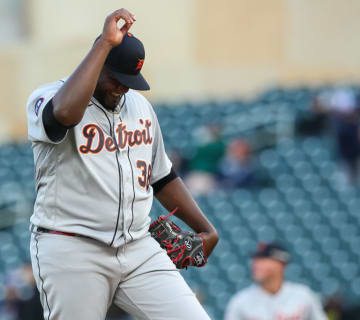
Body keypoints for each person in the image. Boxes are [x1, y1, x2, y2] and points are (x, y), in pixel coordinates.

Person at [26, 8, 218, 320]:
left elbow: (162, 177)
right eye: (117, 79)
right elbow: (64, 115)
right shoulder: (49, 97)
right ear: (97, 63)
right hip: (72, 249)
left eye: (130, 81)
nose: (124, 88)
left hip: (137, 247)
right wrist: (104, 43)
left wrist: (206, 229)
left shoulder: (140, 107)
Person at [224, 242, 327, 320]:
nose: (255, 264)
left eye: (263, 259)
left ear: (281, 264)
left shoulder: (303, 295)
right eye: (255, 260)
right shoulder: (240, 301)